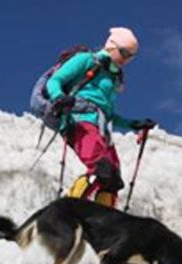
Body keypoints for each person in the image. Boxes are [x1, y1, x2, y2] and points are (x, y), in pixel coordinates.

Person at [44, 27, 156, 208]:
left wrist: (132, 124)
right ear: (112, 47)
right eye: (124, 53)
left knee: (113, 178)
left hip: (101, 129)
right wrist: (59, 98)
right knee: (100, 168)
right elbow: (55, 81)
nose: (126, 60)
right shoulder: (86, 60)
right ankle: (68, 211)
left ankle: (102, 222)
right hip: (79, 120)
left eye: (131, 56)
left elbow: (108, 114)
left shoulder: (113, 78)